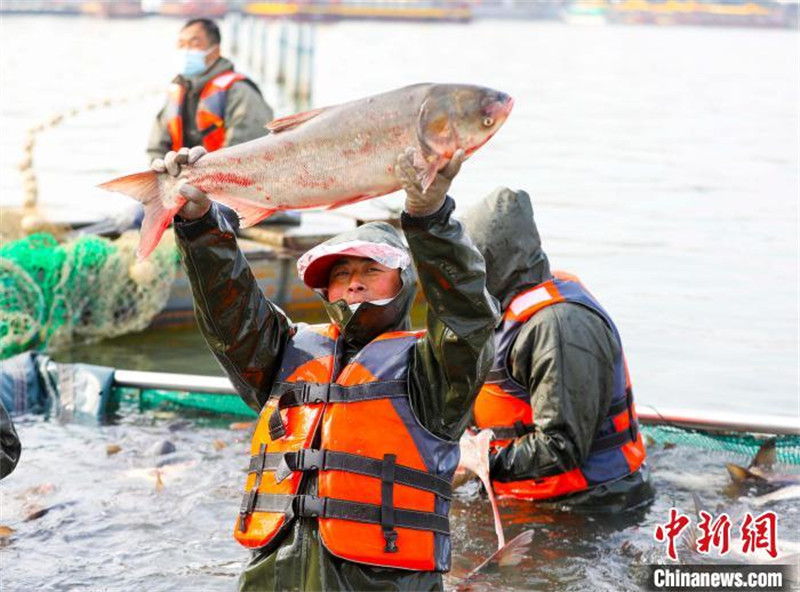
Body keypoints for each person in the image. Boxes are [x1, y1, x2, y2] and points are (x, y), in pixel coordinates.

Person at [152, 146, 499, 590]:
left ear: (405, 282)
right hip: (274, 575)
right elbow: (231, 313)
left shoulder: (434, 372)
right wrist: (199, 225)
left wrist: (430, 218)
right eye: (340, 273)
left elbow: (467, 316)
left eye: (370, 268)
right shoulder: (286, 352)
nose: (353, 281)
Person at [464, 187, 653, 512]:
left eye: (466, 265)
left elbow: (561, 445)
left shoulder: (559, 326)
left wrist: (474, 463)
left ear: (491, 260)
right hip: (530, 499)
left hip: (590, 506)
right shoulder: (507, 310)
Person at [146, 18, 273, 163]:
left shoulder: (240, 91)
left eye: (194, 44)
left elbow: (248, 156)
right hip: (179, 181)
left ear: (215, 51)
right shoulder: (176, 92)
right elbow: (156, 150)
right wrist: (161, 170)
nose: (186, 50)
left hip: (225, 180)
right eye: (181, 44)